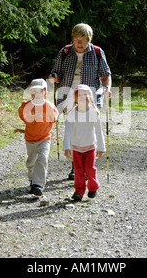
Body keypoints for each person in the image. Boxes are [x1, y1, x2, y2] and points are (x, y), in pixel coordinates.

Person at [49, 23, 112, 180]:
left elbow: (105, 75)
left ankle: (88, 165)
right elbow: (57, 73)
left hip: (89, 98)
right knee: (75, 130)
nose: (79, 43)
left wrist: (107, 88)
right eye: (77, 39)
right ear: (73, 39)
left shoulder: (97, 52)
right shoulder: (65, 51)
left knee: (88, 131)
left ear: (89, 40)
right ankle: (76, 167)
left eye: (83, 39)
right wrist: (54, 77)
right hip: (68, 96)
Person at [63, 84, 106, 201]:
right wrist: (66, 146)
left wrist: (101, 148)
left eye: (86, 94)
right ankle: (79, 191)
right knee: (78, 170)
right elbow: (67, 131)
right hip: (76, 147)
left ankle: (93, 187)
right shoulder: (71, 114)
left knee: (90, 169)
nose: (83, 97)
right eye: (80, 95)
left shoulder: (93, 113)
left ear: (90, 97)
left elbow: (99, 131)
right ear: (75, 98)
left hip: (90, 146)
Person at [18, 78, 58, 196]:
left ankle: (38, 184)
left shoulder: (49, 106)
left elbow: (54, 118)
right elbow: (23, 116)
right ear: (31, 93)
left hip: (44, 138)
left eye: (40, 91)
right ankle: (32, 180)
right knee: (31, 162)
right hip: (30, 139)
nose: (37, 94)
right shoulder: (26, 106)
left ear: (45, 92)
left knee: (42, 158)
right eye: (34, 91)